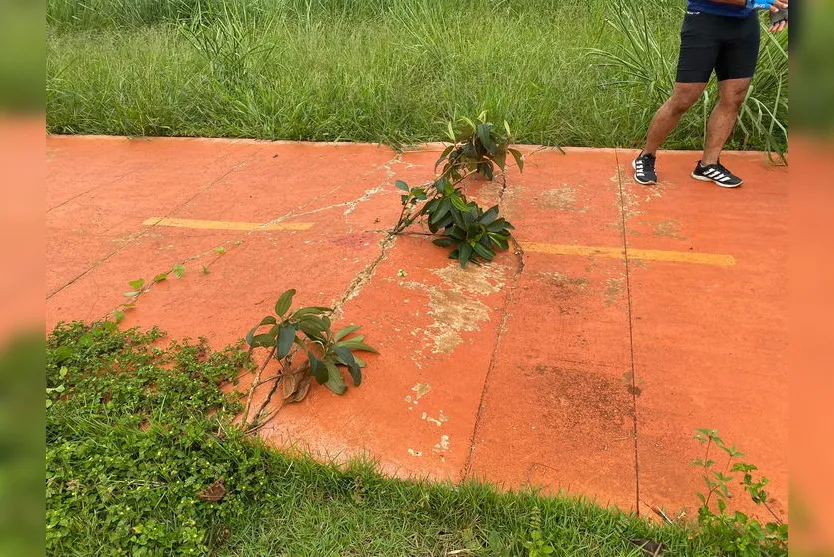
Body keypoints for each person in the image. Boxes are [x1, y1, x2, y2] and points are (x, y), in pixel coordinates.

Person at [633, 0, 788, 188]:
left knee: (734, 97)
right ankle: (646, 156)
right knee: (684, 98)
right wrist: (758, 1)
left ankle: (708, 164)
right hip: (704, 21)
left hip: (744, 26)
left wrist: (781, 6)